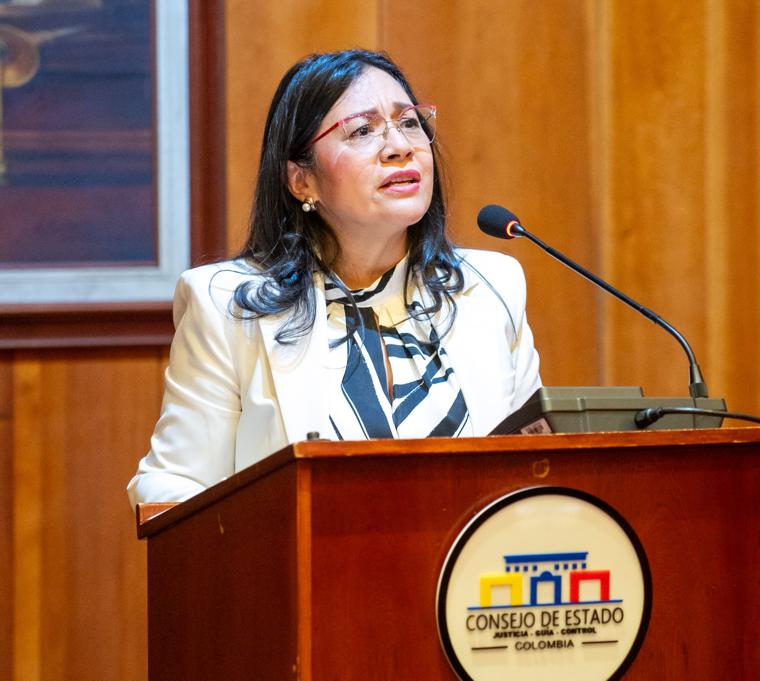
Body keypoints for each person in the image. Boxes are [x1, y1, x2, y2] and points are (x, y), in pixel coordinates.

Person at [127, 49, 541, 505]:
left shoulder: (491, 287)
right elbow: (172, 485)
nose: (400, 146)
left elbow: (538, 465)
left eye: (409, 122)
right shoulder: (228, 306)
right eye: (363, 130)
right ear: (302, 181)